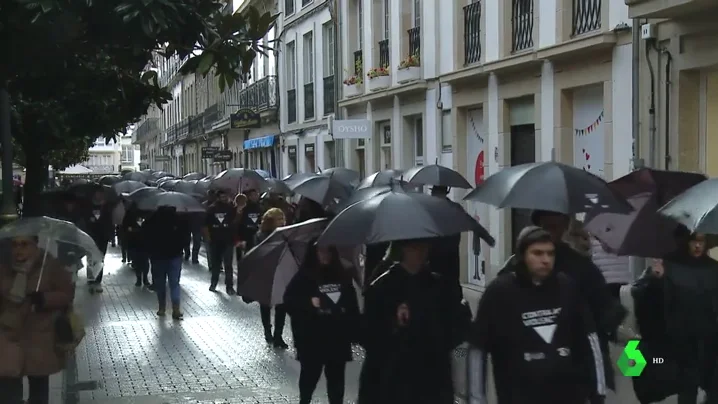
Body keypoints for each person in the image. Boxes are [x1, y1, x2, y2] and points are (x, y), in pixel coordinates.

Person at [468, 226, 606, 404]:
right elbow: (478, 350)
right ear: (522, 256)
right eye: (538, 253)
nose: (546, 260)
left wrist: (598, 393)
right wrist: (476, 400)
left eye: (550, 254)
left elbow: (590, 341)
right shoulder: (499, 293)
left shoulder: (567, 287)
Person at [524, 210, 624, 400]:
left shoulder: (581, 267)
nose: (551, 233)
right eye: (547, 227)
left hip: (575, 366)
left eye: (556, 226)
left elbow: (603, 311)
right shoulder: (518, 268)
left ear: (564, 227)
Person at [358, 238, 471, 404]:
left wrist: (460, 318)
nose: (421, 252)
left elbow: (453, 329)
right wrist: (393, 322)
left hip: (432, 377)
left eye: (424, 247)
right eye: (415, 247)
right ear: (404, 249)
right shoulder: (382, 286)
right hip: (393, 379)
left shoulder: (439, 286)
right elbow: (369, 336)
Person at [633, 229, 718, 404]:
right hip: (681, 339)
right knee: (688, 387)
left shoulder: (713, 268)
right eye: (693, 241)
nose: (697, 246)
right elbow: (641, 295)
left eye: (701, 241)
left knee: (713, 386)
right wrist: (655, 279)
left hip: (709, 338)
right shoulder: (668, 266)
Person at [0, 235, 74, 404]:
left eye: (24, 244)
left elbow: (67, 293)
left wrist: (43, 299)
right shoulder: (4, 266)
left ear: (35, 245)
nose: (18, 249)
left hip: (39, 337)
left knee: (39, 388)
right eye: (15, 245)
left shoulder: (49, 265)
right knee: (8, 387)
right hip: (10, 335)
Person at [284, 241, 359, 404]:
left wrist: (353, 328)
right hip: (312, 338)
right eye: (321, 252)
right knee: (309, 378)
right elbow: (289, 301)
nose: (325, 255)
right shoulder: (304, 276)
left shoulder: (341, 274)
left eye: (328, 251)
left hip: (337, 337)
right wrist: (309, 302)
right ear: (313, 253)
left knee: (336, 382)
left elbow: (352, 303)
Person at [142, 206, 190, 320]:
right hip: (175, 256)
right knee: (174, 283)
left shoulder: (151, 220)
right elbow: (186, 237)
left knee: (160, 284)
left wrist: (150, 251)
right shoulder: (179, 220)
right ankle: (176, 309)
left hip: (157, 257)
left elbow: (144, 237)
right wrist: (181, 248)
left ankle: (162, 308)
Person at [254, 208, 288, 348]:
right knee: (265, 304)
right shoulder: (261, 235)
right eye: (279, 219)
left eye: (283, 219)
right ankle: (267, 331)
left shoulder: (286, 234)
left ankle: (278, 335)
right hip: (266, 273)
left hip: (281, 272)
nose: (282, 222)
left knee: (282, 305)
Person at [203, 190, 237, 294]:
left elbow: (234, 223)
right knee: (216, 264)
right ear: (218, 197)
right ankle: (214, 283)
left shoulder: (231, 208)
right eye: (222, 197)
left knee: (228, 265)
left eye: (225, 196)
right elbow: (205, 224)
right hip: (215, 241)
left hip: (228, 241)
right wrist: (208, 238)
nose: (224, 198)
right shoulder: (212, 209)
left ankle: (229, 286)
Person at [84, 187, 114, 293]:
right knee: (91, 258)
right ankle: (91, 279)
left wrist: (110, 235)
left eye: (102, 193)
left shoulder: (106, 207)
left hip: (103, 237)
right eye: (98, 193)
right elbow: (84, 218)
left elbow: (110, 221)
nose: (100, 195)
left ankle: (97, 281)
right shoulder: (88, 205)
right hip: (91, 236)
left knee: (100, 258)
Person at [121, 201, 150, 287]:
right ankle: (140, 278)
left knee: (143, 261)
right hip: (134, 241)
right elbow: (124, 226)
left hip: (143, 241)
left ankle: (143, 278)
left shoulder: (147, 213)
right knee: (138, 261)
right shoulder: (130, 213)